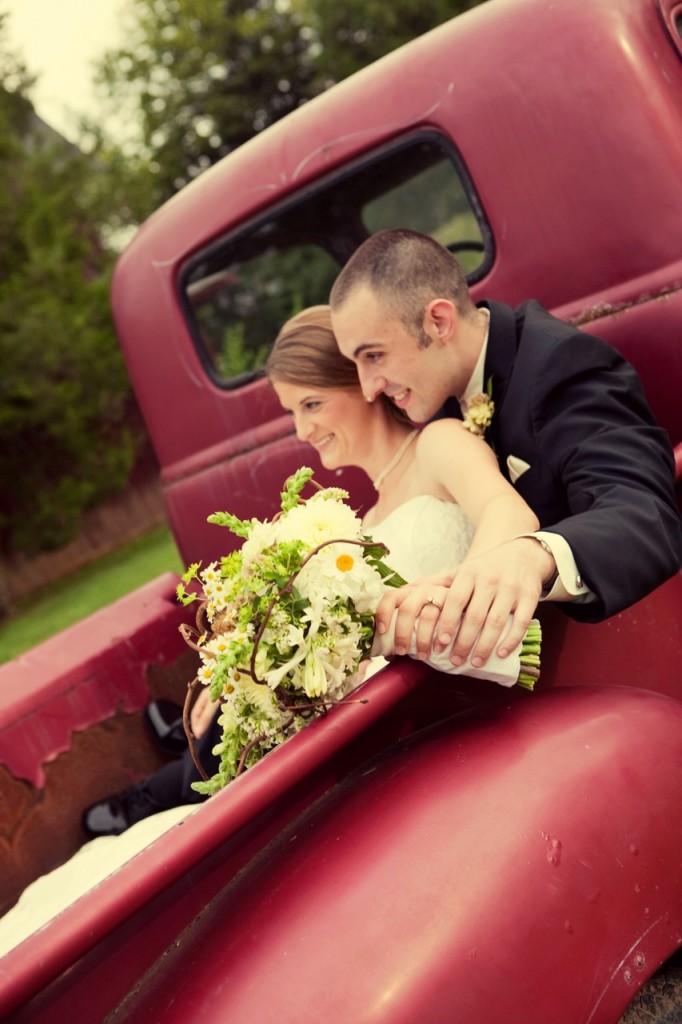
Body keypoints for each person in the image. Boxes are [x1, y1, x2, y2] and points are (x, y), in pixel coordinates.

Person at [83, 303, 540, 838]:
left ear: (363, 383)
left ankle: (168, 782)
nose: (303, 430)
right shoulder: (363, 520)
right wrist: (244, 669)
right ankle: (190, 753)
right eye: (292, 412)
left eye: (312, 404)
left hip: (428, 706)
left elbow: (509, 513)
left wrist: (460, 601)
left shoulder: (438, 444)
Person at [329, 227, 682, 670]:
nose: (368, 389)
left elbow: (644, 513)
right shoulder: (439, 402)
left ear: (439, 322)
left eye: (374, 356)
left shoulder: (559, 365)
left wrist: (533, 556)